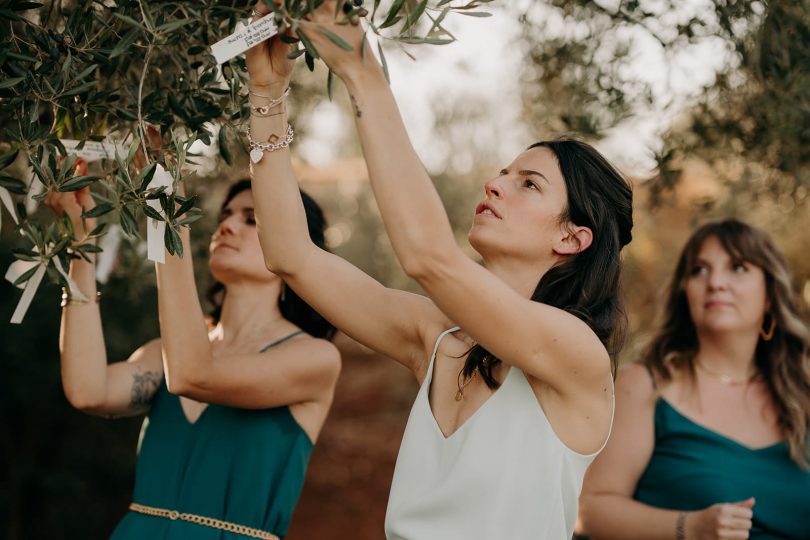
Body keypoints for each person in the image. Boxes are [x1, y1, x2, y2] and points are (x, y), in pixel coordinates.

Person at [243, 2, 633, 537]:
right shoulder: (434, 336)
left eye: (529, 184)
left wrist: (361, 70)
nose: (494, 185)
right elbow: (289, 254)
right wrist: (267, 95)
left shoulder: (575, 354)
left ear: (571, 238)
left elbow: (428, 256)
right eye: (503, 173)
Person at [45, 171, 340, 540]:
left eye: (252, 219)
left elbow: (193, 376)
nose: (228, 225)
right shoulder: (166, 352)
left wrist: (169, 218)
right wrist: (82, 245)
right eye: (225, 216)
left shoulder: (315, 359)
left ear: (294, 244)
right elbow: (88, 390)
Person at [579, 219, 810, 539]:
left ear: (770, 294)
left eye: (738, 267)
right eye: (699, 270)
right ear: (685, 291)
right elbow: (590, 511)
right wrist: (688, 526)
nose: (715, 282)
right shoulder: (645, 386)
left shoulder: (801, 394)